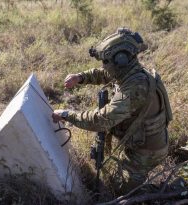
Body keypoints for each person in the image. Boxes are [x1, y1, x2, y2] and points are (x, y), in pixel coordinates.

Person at [52, 28, 173, 196]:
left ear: (121, 60)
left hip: (147, 151)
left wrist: (67, 115)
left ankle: (166, 192)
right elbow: (105, 74)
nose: (103, 66)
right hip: (139, 141)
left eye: (106, 61)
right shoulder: (129, 71)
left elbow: (102, 120)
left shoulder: (136, 87)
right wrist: (80, 77)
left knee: (120, 191)